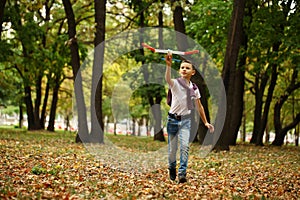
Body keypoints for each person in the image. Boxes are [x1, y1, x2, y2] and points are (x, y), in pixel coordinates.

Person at [165, 52, 214, 183]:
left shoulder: (194, 88)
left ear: (193, 72)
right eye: (182, 67)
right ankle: (171, 168)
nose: (184, 69)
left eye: (187, 68)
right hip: (172, 120)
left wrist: (206, 122)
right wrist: (168, 66)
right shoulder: (175, 83)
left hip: (186, 121)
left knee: (185, 147)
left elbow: (200, 107)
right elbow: (167, 79)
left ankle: (182, 174)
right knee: (172, 150)